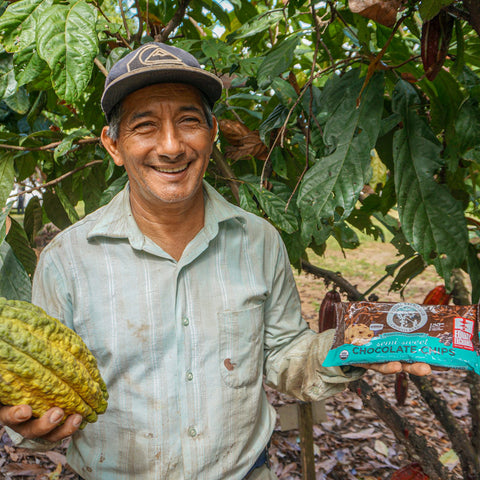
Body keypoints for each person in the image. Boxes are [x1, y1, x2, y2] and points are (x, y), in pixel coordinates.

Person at [0, 42, 431, 480]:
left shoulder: (258, 240)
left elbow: (284, 356)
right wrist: (33, 426)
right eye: (144, 126)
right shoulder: (66, 259)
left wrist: (350, 347)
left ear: (212, 134)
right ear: (113, 145)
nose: (170, 147)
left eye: (188, 121)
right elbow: (43, 383)